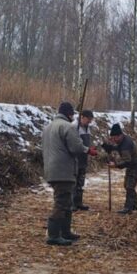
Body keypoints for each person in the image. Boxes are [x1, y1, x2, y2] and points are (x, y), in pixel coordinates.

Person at [41, 101, 88, 245]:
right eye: (72, 114)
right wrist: (86, 149)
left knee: (66, 201)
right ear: (69, 114)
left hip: (51, 169)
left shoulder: (48, 127)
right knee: (61, 202)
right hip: (63, 171)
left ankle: (66, 232)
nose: (73, 117)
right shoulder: (68, 126)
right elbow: (76, 148)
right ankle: (54, 235)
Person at [103, 123, 137, 214]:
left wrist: (115, 164)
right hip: (132, 165)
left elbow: (127, 161)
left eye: (115, 138)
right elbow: (118, 147)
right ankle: (134, 205)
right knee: (127, 185)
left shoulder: (126, 144)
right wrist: (110, 148)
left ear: (120, 135)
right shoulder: (122, 140)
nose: (114, 140)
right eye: (112, 138)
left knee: (129, 186)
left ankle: (128, 208)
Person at [73, 110, 97, 211]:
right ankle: (72, 204)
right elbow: (75, 144)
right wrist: (88, 150)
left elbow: (86, 142)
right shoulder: (74, 127)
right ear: (82, 117)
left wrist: (90, 148)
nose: (90, 122)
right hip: (75, 159)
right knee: (74, 182)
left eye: (91, 120)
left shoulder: (87, 128)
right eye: (88, 119)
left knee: (80, 182)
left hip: (83, 159)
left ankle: (79, 203)